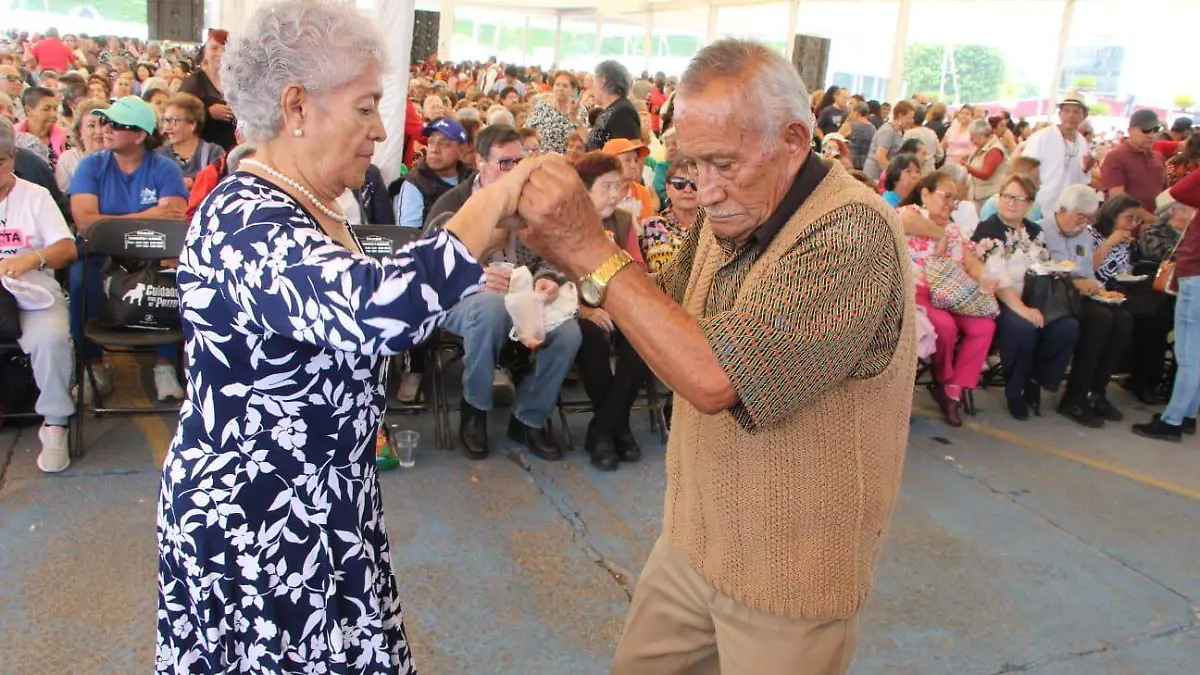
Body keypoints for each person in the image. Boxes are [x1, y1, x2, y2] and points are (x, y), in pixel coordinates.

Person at [513, 39, 913, 674]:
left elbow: (714, 377)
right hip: (694, 540)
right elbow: (660, 313)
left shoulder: (851, 232)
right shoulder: (736, 208)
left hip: (791, 576)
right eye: (693, 166)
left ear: (793, 139)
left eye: (724, 163)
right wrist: (568, 256)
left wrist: (590, 251)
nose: (706, 189)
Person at [157, 2, 529, 672]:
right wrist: (489, 207)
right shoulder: (245, 218)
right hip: (259, 530)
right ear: (297, 105)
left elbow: (381, 325)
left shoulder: (317, 208)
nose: (380, 128)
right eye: (365, 107)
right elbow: (370, 311)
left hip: (324, 512)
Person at [426, 124, 580, 462]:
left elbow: (548, 255)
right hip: (462, 298)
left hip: (522, 295)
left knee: (569, 333)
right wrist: (475, 275)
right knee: (491, 309)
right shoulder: (454, 203)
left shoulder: (531, 204)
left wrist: (549, 278)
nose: (513, 171)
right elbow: (432, 268)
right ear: (480, 162)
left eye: (519, 163)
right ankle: (475, 408)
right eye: (504, 163)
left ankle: (529, 417)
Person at [67, 96, 189, 402]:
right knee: (79, 279)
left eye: (116, 124)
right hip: (100, 256)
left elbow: (173, 218)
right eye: (105, 122)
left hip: (153, 257)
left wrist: (109, 223)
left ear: (139, 135)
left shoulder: (165, 168)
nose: (105, 129)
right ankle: (93, 365)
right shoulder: (91, 166)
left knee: (175, 275)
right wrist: (148, 217)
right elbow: (84, 223)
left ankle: (164, 364)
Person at [0, 118, 77, 473]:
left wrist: (34, 257)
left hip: (31, 289)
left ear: (12, 157)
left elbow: (66, 247)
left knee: (51, 338)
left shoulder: (34, 196)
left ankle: (55, 421)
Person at [971, 175, 1079, 420]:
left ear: (1030, 203)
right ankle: (1015, 391)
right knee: (1023, 329)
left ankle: (1035, 379)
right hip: (1002, 300)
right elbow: (996, 277)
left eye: (1020, 199)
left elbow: (1043, 264)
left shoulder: (1035, 230)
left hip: (1036, 297)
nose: (1012, 203)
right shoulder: (988, 230)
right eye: (1007, 196)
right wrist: (1023, 309)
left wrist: (1057, 266)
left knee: (1067, 327)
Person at [569, 152, 651, 470]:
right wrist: (583, 310)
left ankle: (605, 428)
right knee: (590, 335)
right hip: (574, 306)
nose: (615, 195)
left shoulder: (621, 221)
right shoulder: (565, 225)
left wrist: (619, 301)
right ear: (583, 190)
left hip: (617, 302)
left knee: (644, 340)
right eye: (606, 187)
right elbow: (556, 275)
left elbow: (637, 269)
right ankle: (618, 427)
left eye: (618, 187)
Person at [899, 171, 997, 426]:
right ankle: (943, 379)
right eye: (946, 196)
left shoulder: (953, 228)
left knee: (985, 326)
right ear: (925, 194)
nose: (950, 204)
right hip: (920, 291)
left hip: (953, 293)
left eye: (955, 200)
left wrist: (986, 277)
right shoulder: (910, 214)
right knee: (944, 326)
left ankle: (953, 387)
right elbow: (907, 221)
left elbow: (971, 262)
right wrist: (940, 235)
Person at [1039, 185, 1131, 427]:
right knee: (1099, 319)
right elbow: (1041, 272)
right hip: (1056, 296)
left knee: (1123, 319)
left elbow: (1088, 271)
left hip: (1085, 294)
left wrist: (1099, 289)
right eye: (1080, 216)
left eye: (1088, 218)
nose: (1084, 223)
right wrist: (1076, 284)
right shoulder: (1041, 230)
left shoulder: (1084, 235)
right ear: (1062, 210)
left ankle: (1096, 391)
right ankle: (1074, 398)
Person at [1133, 168, 1200, 441]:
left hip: (1196, 274)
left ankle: (1172, 420)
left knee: (1189, 355)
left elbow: (1175, 193)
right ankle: (1187, 414)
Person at [393, 116, 473, 227]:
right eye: (431, 142)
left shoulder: (472, 178)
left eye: (445, 144)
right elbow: (409, 235)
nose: (434, 149)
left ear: (462, 149)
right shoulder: (415, 183)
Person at [1022, 91, 1090, 219]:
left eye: (1076, 112)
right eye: (1067, 111)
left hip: (1069, 211)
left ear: (1084, 116)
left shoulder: (1082, 141)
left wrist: (1086, 170)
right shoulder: (1042, 137)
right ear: (1060, 113)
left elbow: (1082, 178)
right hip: (1040, 208)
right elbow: (1025, 171)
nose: (1071, 115)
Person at [1099, 109, 1167, 224]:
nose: (1151, 135)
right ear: (1130, 130)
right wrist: (1151, 219)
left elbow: (1163, 193)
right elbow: (1117, 198)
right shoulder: (1116, 156)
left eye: (1156, 130)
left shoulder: (1159, 158)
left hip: (1151, 229)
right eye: (1146, 130)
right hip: (1121, 228)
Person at [641, 158, 702, 273]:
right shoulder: (651, 226)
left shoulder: (714, 226)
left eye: (695, 184)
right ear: (667, 188)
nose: (688, 190)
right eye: (679, 183)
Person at [179, 29, 236, 150]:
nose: (220, 53)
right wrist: (207, 113)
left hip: (232, 148)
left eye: (225, 49)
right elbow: (179, 114)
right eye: (214, 48)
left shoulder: (236, 80)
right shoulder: (194, 82)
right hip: (202, 151)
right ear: (205, 51)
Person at [158, 92, 225, 190]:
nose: (167, 127)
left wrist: (194, 183)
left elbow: (221, 187)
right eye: (165, 120)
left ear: (192, 124)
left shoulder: (214, 153)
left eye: (174, 121)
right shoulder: (159, 156)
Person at [54, 98, 108, 193]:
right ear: (79, 131)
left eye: (103, 124)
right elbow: (63, 198)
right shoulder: (69, 159)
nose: (99, 131)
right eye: (91, 125)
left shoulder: (121, 157)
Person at [585, 60, 640, 151]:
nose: (592, 87)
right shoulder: (610, 110)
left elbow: (630, 154)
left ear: (602, 81)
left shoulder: (623, 112)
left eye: (593, 81)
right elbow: (593, 144)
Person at [524, 70, 582, 154]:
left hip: (569, 158)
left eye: (565, 86)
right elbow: (528, 130)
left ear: (572, 90)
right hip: (542, 157)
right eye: (557, 85)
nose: (560, 88)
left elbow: (584, 138)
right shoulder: (541, 106)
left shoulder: (579, 109)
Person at [16, 86, 66, 170]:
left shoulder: (66, 138)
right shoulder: (13, 139)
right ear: (28, 110)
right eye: (46, 109)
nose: (53, 114)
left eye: (55, 109)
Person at [863, 99, 914, 178]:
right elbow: (880, 157)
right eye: (909, 118)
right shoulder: (888, 131)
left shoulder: (898, 131)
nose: (911, 121)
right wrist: (893, 175)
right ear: (900, 115)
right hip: (874, 174)